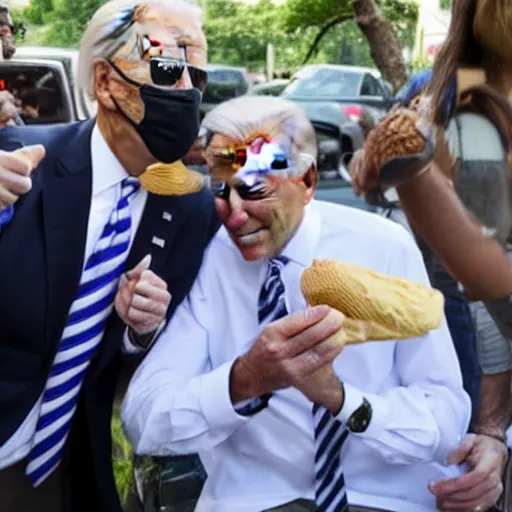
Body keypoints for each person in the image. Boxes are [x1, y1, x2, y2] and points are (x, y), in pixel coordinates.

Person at [122, 95, 471, 512]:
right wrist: (244, 380)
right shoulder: (210, 258)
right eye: (221, 189)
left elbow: (446, 419)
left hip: (384, 498)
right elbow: (144, 419)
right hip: (255, 498)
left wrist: (342, 400)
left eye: (254, 188)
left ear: (306, 182)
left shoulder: (384, 248)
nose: (234, 215)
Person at [0, 1, 218, 511]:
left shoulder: (190, 205)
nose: (186, 89)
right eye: (166, 68)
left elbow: (153, 357)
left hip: (74, 465)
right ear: (105, 81)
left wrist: (143, 330)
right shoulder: (21, 161)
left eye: (197, 75)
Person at [350, 1, 512, 509]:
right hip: (437, 345)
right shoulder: (441, 88)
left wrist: (494, 430)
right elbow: (369, 176)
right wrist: (380, 157)